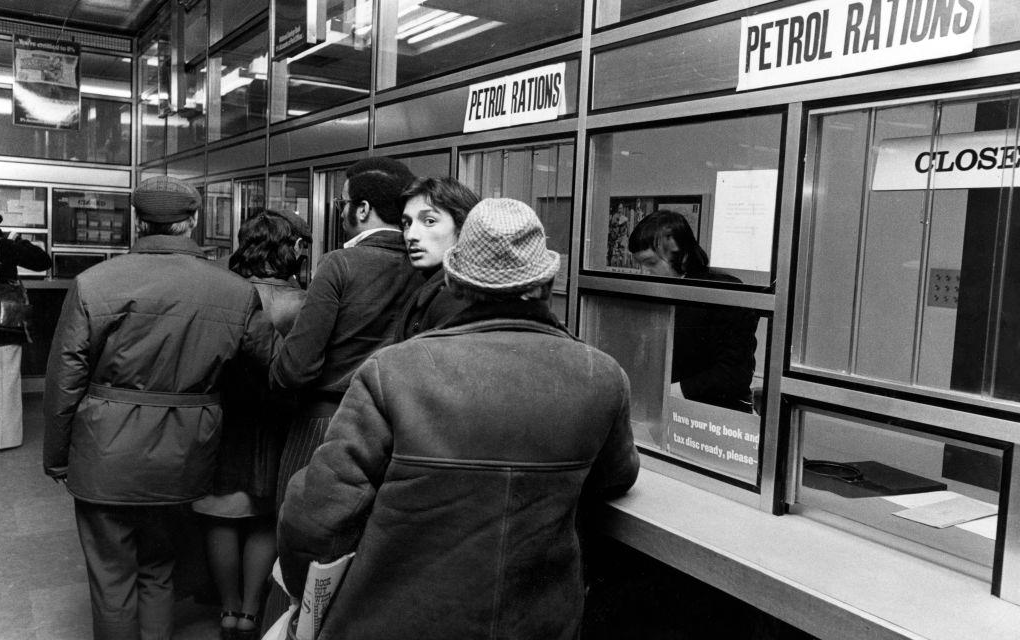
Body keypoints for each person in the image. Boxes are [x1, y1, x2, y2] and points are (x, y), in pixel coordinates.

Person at [277, 198, 640, 640]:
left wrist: (304, 595)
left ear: (454, 281)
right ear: (547, 282)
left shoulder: (393, 372)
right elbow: (616, 477)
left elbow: (317, 515)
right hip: (537, 626)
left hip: (392, 623)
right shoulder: (602, 376)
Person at [43, 175, 276, 640]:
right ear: (193, 220)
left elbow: (64, 380)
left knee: (111, 576)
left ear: (138, 221)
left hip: (104, 454)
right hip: (186, 454)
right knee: (161, 567)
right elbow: (273, 367)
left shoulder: (93, 284)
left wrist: (57, 458)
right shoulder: (234, 290)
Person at [269, 156, 423, 501]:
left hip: (325, 424)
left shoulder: (339, 264)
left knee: (302, 521)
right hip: (396, 431)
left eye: (343, 203)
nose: (340, 213)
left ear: (363, 209)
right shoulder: (423, 267)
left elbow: (295, 368)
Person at [191, 209, 310, 640]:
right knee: (264, 516)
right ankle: (250, 612)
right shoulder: (306, 302)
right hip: (280, 420)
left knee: (220, 515)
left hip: (223, 417)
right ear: (292, 248)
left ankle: (227, 609)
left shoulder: (222, 295)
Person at [627, 210, 757, 411]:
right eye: (640, 264)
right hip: (657, 407)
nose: (644, 272)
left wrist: (671, 391)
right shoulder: (652, 293)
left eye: (651, 263)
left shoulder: (723, 293)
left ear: (683, 256)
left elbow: (734, 373)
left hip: (710, 414)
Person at [395, 176, 479, 339]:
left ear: (462, 226)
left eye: (429, 221)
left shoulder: (458, 295)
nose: (411, 235)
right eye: (407, 223)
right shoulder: (432, 285)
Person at [0, 211, 51, 450]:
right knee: (5, 379)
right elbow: (43, 262)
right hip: (4, 324)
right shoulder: (5, 246)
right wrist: (18, 240)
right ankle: (4, 439)